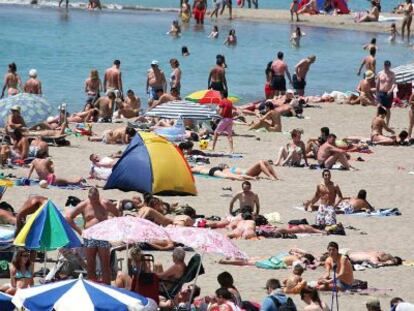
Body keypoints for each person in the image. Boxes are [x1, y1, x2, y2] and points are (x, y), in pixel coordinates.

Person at [66, 187, 120, 284]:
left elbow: (118, 214)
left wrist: (112, 228)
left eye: (96, 198)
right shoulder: (84, 205)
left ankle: (106, 287)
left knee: (105, 264)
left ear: (99, 196)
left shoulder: (105, 203)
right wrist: (80, 231)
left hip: (102, 236)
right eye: (92, 199)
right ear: (89, 197)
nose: (95, 201)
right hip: (89, 236)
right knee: (90, 264)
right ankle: (93, 288)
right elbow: (69, 217)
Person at [191, 161, 278, 181]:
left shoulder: (227, 168)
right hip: (247, 173)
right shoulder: (226, 169)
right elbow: (231, 176)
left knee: (264, 162)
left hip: (248, 173)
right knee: (260, 162)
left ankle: (275, 177)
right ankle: (271, 177)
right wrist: (251, 178)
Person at [376, 60, 396, 126]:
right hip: (381, 92)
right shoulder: (380, 73)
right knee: (379, 107)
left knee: (388, 109)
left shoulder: (392, 74)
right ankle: (376, 121)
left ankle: (387, 123)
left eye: (388, 66)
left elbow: (393, 84)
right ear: (384, 65)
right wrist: (376, 93)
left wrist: (390, 90)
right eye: (385, 65)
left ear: (389, 66)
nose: (387, 67)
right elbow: (377, 84)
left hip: (388, 93)